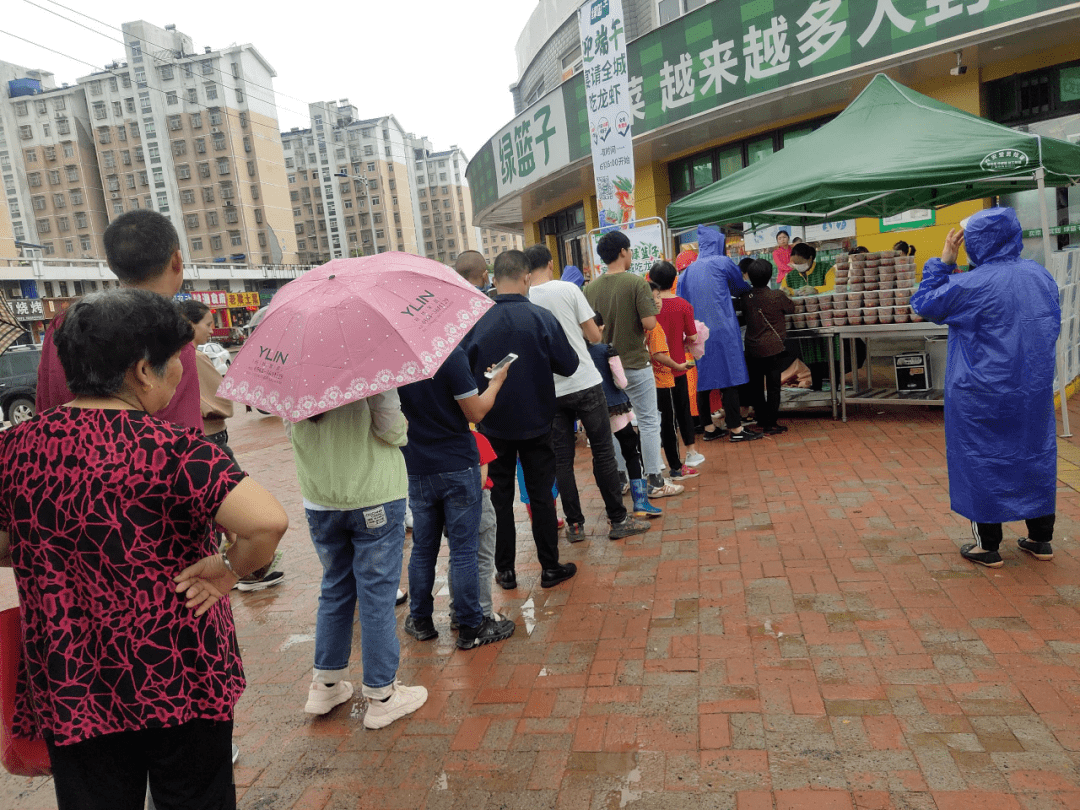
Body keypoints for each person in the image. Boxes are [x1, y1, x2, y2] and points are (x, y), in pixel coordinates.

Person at [0, 289, 288, 809]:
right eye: (174, 362)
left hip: (72, 675)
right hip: (176, 666)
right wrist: (227, 571)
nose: (181, 374)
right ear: (142, 372)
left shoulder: (16, 448)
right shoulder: (175, 449)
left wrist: (45, 537)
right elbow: (266, 524)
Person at [911, 208, 1060, 568]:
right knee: (1034, 455)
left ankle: (987, 545)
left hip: (981, 391)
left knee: (981, 459)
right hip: (1032, 386)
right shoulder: (1039, 275)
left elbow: (923, 304)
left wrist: (943, 262)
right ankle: (1041, 539)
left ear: (976, 242)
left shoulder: (971, 284)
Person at [288, 390, 428, 726]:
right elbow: (391, 429)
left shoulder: (295, 375)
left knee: (335, 587)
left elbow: (294, 434)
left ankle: (325, 684)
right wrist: (404, 425)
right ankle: (383, 694)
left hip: (320, 500)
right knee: (377, 594)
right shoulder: (368, 369)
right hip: (374, 493)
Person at [461, 249, 580, 591]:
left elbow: (465, 373)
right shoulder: (541, 318)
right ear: (527, 277)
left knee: (499, 498)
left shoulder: (476, 321)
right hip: (539, 421)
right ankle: (549, 567)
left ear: (494, 279)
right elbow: (569, 364)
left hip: (492, 423)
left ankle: (506, 571)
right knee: (541, 494)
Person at [525, 243, 649, 542]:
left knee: (562, 460)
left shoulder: (525, 298)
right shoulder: (568, 290)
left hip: (550, 390)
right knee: (603, 452)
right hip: (584, 381)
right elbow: (595, 336)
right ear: (551, 263)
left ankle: (575, 525)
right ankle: (618, 520)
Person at [36, 210, 201, 431]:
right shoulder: (171, 335)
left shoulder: (68, 322)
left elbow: (47, 403)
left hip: (65, 458)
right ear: (177, 260)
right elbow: (185, 438)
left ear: (111, 265)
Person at [397, 345, 516, 649]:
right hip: (457, 464)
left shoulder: (394, 358)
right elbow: (475, 412)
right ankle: (470, 624)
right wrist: (497, 383)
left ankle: (420, 619)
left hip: (417, 465)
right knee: (463, 549)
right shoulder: (448, 354)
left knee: (424, 547)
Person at [179, 298, 285, 592]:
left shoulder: (186, 357)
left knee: (223, 515)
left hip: (205, 440)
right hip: (209, 441)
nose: (212, 331)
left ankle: (243, 570)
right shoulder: (189, 357)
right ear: (190, 324)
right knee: (233, 511)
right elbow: (220, 400)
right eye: (208, 324)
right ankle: (247, 571)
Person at [584, 230, 683, 498]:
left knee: (615, 422)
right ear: (624, 252)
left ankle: (622, 478)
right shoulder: (638, 283)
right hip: (635, 364)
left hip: (604, 367)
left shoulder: (589, 288)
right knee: (650, 420)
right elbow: (650, 323)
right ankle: (655, 480)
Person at [678, 225, 762, 444]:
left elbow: (682, 301)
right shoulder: (723, 262)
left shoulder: (688, 272)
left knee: (704, 380)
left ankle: (708, 428)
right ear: (718, 243)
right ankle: (735, 429)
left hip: (698, 332)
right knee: (729, 378)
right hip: (723, 330)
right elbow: (739, 287)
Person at [587, 314, 660, 517]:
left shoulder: (578, 353)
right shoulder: (607, 351)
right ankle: (640, 502)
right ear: (601, 327)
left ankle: (612, 506)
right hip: (616, 408)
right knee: (631, 452)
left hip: (591, 410)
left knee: (601, 457)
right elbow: (621, 382)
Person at [648, 260, 704, 468]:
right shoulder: (683, 305)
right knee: (683, 409)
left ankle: (661, 458)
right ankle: (690, 451)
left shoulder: (648, 305)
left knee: (659, 414)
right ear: (674, 280)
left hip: (654, 368)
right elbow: (692, 335)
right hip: (679, 365)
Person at [739, 259, 795, 435]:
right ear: (770, 276)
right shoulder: (777, 295)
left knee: (756, 387)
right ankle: (771, 423)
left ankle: (762, 419)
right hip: (773, 348)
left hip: (752, 348)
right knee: (773, 387)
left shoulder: (746, 297)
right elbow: (791, 308)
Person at [780, 241, 838, 391]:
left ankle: (836, 385)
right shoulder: (791, 276)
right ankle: (816, 386)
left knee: (832, 352)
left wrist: (816, 290)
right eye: (795, 263)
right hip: (803, 322)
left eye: (800, 262)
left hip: (827, 319)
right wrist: (787, 293)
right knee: (811, 354)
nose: (797, 266)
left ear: (810, 258)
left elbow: (834, 287)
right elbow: (784, 291)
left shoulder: (826, 269)